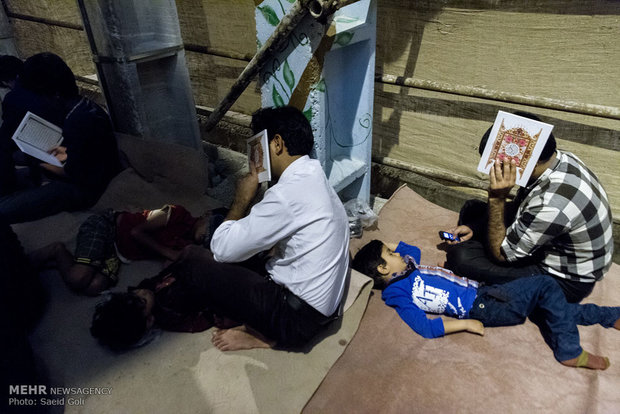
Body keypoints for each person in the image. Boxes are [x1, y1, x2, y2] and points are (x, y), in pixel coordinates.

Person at [175, 105, 350, 351]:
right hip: (319, 314)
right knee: (251, 250)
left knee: (192, 259)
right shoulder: (314, 177)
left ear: (277, 144)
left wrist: (241, 199)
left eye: (259, 145)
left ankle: (265, 335)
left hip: (295, 322)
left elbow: (223, 249)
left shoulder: (287, 194)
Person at [352, 239, 620, 370]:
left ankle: (610, 317)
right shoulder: (397, 293)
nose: (398, 253)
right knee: (545, 285)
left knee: (554, 308)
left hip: (485, 292)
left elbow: (412, 251)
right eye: (390, 254)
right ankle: (569, 351)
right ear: (382, 268)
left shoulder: (407, 268)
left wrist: (389, 250)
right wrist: (465, 324)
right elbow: (424, 327)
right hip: (483, 306)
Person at [446, 112, 613, 303]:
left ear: (528, 164)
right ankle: (484, 239)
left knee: (461, 258)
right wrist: (476, 226)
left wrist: (496, 198)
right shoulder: (560, 159)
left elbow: (502, 255)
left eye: (498, 166)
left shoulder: (551, 202)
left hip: (565, 280)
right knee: (473, 209)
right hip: (555, 241)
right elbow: (520, 206)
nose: (493, 172)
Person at [0, 52, 120, 223]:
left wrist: (38, 157)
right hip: (75, 173)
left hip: (80, 189)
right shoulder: (81, 108)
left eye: (38, 96)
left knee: (4, 210)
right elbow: (73, 156)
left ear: (54, 94)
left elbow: (74, 172)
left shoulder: (80, 120)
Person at [29, 205, 225, 296]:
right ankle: (55, 250)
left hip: (117, 253)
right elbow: (136, 232)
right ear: (206, 214)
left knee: (94, 286)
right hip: (108, 226)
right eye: (209, 227)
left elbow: (168, 266)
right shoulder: (177, 213)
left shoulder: (186, 244)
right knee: (77, 279)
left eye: (210, 237)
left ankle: (65, 262)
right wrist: (168, 252)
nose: (205, 235)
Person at [90, 263, 220, 350]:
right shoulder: (168, 311)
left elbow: (164, 274)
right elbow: (195, 323)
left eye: (132, 294)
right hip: (214, 278)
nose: (141, 291)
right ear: (149, 320)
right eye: (142, 300)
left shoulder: (146, 289)